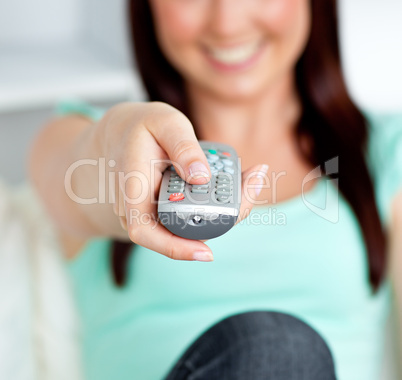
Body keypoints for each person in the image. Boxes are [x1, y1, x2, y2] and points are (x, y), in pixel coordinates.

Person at [29, 0, 402, 379]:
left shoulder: (387, 149)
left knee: (283, 348)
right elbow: (77, 177)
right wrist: (119, 144)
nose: (227, 23)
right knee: (280, 348)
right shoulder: (88, 141)